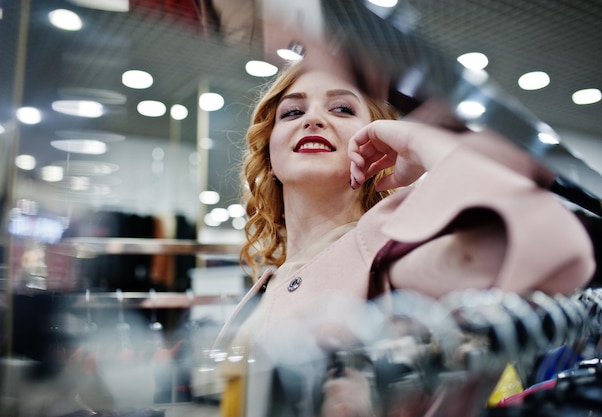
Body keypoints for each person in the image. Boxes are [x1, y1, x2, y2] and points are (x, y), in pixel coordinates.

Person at [213, 55, 595, 417]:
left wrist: (422, 142)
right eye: (293, 112)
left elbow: (554, 242)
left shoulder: (383, 247)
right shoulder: (264, 285)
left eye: (343, 109)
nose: (312, 118)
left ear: (375, 141)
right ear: (269, 149)